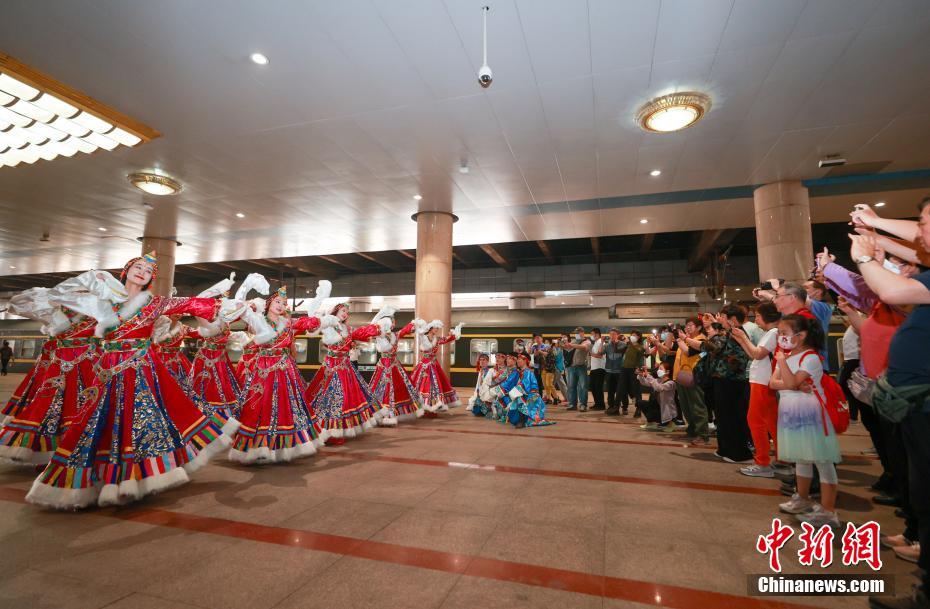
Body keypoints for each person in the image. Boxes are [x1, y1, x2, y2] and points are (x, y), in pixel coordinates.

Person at [26, 252, 242, 509]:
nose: (142, 272)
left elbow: (191, 304)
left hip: (141, 370)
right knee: (96, 423)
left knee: (141, 421)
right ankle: (87, 482)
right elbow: (58, 296)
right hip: (108, 371)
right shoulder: (102, 302)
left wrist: (233, 306)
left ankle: (135, 478)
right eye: (137, 267)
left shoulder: (155, 303)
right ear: (126, 271)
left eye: (148, 271)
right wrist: (90, 278)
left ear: (151, 279)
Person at [847, 201, 930, 609]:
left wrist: (868, 251)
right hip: (913, 403)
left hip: (922, 402)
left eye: (925, 223)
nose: (919, 231)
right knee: (920, 487)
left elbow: (893, 289)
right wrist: (878, 238)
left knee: (925, 487)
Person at [233, 283, 329, 462]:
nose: (281, 305)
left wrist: (321, 312)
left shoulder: (288, 323)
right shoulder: (258, 320)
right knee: (261, 407)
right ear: (269, 303)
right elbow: (239, 310)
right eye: (277, 301)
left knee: (287, 407)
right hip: (264, 370)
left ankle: (285, 447)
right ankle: (259, 448)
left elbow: (308, 323)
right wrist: (247, 289)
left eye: (284, 303)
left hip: (285, 370)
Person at [771, 314, 841, 529]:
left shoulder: (809, 358)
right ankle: (802, 498)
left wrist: (784, 369)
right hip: (791, 411)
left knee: (822, 460)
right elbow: (772, 383)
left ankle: (829, 510)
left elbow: (789, 382)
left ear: (801, 336)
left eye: (784, 333)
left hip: (810, 414)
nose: (781, 337)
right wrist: (790, 382)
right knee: (802, 458)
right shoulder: (788, 355)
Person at [305, 300, 387, 443]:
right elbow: (313, 327)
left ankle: (338, 430)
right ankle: (328, 432)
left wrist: (377, 329)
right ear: (335, 312)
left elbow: (361, 333)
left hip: (345, 366)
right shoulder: (328, 326)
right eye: (343, 311)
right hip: (332, 368)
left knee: (347, 398)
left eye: (346, 312)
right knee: (332, 398)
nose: (345, 314)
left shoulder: (348, 329)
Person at [730, 302, 782, 476]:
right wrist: (740, 338)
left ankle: (762, 462)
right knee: (771, 421)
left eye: (758, 315)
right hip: (764, 381)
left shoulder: (773, 332)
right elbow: (753, 354)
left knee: (755, 421)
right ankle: (782, 460)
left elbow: (757, 354)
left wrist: (743, 339)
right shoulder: (773, 332)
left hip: (762, 382)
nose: (756, 319)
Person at [708, 305, 753, 464]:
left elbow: (715, 347)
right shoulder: (730, 332)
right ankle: (725, 448)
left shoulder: (738, 333)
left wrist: (714, 331)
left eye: (723, 318)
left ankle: (738, 453)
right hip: (723, 379)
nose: (721, 320)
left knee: (733, 417)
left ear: (732, 320)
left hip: (732, 381)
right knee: (723, 417)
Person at [369, 312, 423, 426]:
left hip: (394, 366)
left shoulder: (396, 335)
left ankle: (392, 414)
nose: (391, 324)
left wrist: (413, 324)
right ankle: (381, 414)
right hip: (383, 366)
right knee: (381, 389)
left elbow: (405, 330)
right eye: (389, 322)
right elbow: (370, 328)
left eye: (392, 322)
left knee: (398, 388)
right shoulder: (379, 334)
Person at [410, 319, 464, 416]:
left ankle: (431, 408)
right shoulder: (423, 337)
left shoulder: (437, 339)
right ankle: (422, 408)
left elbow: (448, 339)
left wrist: (456, 330)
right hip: (424, 365)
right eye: (435, 328)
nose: (436, 329)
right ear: (430, 328)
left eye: (437, 328)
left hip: (434, 365)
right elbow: (419, 333)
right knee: (423, 386)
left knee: (434, 386)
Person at [674, 317, 710, 445]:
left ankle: (703, 434)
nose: (688, 327)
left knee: (697, 405)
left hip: (695, 377)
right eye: (687, 325)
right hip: (684, 376)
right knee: (686, 405)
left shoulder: (700, 340)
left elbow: (688, 352)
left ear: (699, 327)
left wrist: (681, 338)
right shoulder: (688, 339)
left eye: (691, 325)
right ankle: (692, 430)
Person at [499, 353, 554, 428]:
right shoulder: (520, 372)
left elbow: (524, 386)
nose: (518, 361)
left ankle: (522, 420)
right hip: (525, 394)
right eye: (517, 359)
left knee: (519, 398)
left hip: (533, 397)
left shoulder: (527, 372)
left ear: (525, 361)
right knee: (514, 400)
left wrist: (511, 393)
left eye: (519, 359)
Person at [636, 361, 677, 431]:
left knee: (653, 404)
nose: (658, 371)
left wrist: (648, 376)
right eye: (658, 369)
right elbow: (645, 383)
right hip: (658, 408)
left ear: (667, 372)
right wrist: (640, 375)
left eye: (661, 369)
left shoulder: (671, 383)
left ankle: (670, 424)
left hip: (666, 411)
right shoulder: (659, 380)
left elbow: (659, 388)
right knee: (640, 402)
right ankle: (651, 423)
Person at [616, 330, 645, 416]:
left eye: (634, 335)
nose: (632, 336)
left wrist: (631, 342)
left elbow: (640, 351)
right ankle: (617, 407)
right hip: (624, 369)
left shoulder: (640, 346)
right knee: (621, 388)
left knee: (636, 390)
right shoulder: (628, 345)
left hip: (634, 369)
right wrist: (616, 342)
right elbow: (618, 350)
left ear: (638, 337)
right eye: (631, 335)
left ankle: (639, 409)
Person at [565, 327, 591, 411]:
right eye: (575, 333)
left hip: (581, 366)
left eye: (577, 333)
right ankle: (573, 404)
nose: (576, 334)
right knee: (571, 386)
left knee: (583, 387)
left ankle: (583, 405)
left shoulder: (587, 341)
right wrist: (561, 344)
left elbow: (583, 347)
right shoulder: (573, 341)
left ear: (582, 333)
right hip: (572, 367)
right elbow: (567, 348)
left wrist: (571, 345)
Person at [604, 328, 624, 414]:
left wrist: (616, 344)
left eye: (613, 334)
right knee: (610, 390)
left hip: (619, 371)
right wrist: (602, 342)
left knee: (620, 391)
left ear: (618, 335)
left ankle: (620, 407)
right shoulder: (607, 345)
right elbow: (600, 353)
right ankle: (610, 406)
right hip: (609, 371)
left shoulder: (623, 344)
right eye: (610, 334)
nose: (612, 336)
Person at [588, 328, 606, 410]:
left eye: (592, 334)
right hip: (594, 368)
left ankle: (601, 405)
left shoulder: (601, 343)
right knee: (593, 387)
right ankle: (597, 403)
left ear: (597, 334)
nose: (591, 336)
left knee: (598, 387)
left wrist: (591, 354)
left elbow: (600, 355)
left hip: (599, 368)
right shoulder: (595, 342)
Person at [552, 336, 568, 404]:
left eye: (557, 342)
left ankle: (554, 398)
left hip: (557, 368)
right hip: (558, 368)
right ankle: (567, 397)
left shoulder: (559, 349)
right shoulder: (557, 349)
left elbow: (555, 357)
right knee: (561, 383)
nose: (555, 343)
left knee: (551, 384)